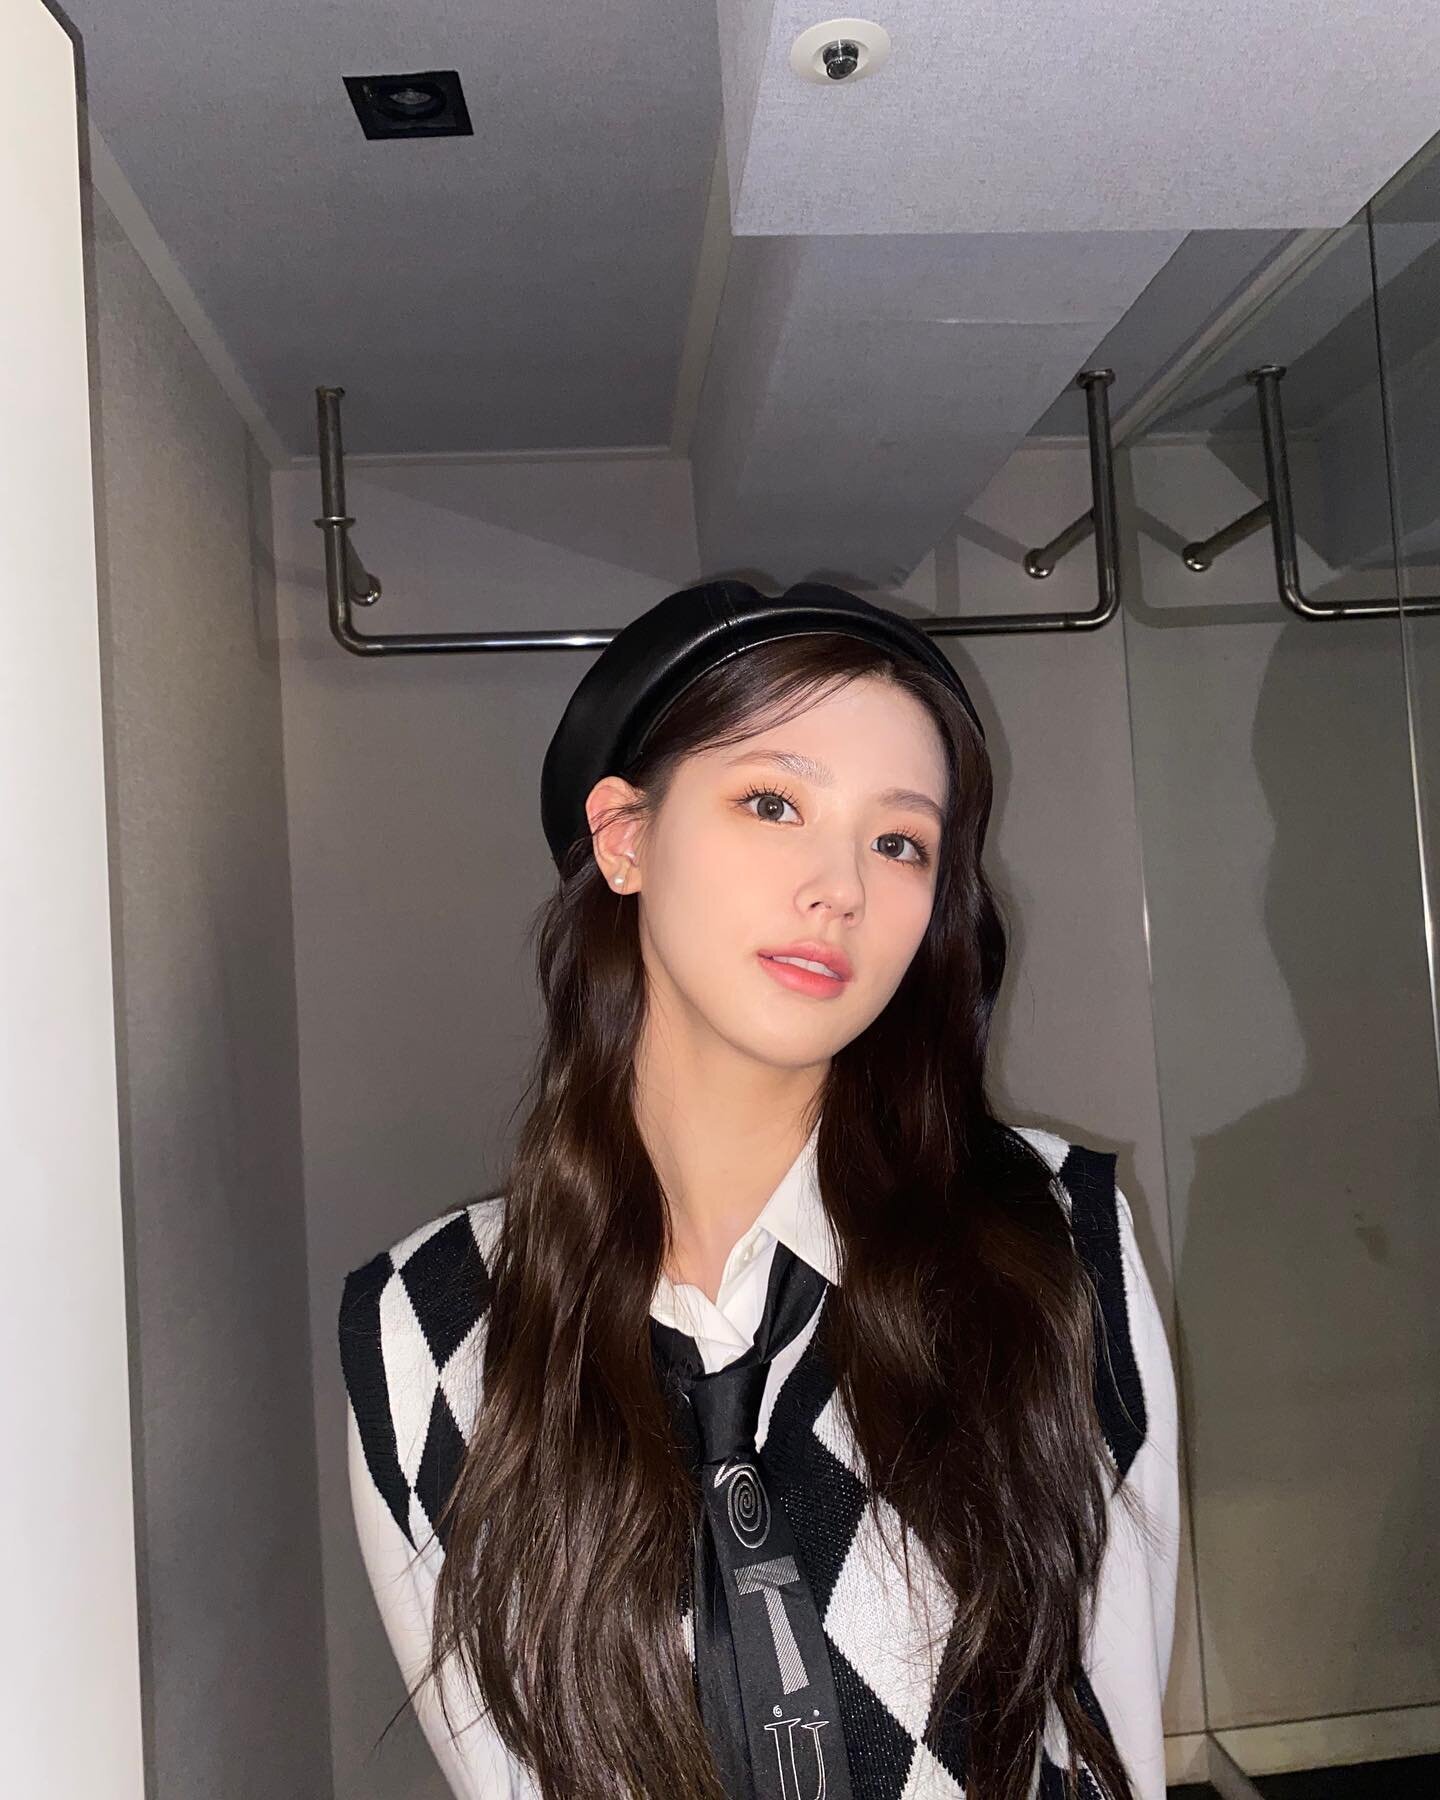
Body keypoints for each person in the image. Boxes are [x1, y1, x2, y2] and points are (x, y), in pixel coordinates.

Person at [339, 578, 1180, 1800]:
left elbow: (1114, 1741)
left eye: (900, 842)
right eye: (773, 802)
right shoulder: (427, 1321)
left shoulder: (1048, 1237)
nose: (842, 886)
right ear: (625, 839)